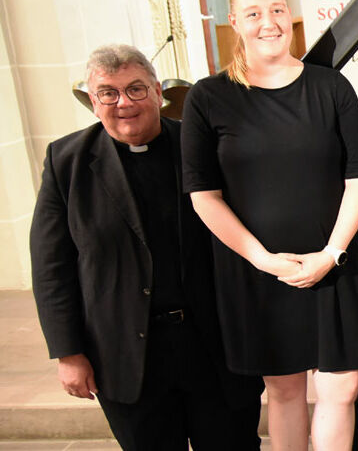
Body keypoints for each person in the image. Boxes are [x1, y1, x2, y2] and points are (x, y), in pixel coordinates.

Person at [30, 44, 263, 450]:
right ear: (92, 99)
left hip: (215, 344)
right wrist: (68, 353)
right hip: (126, 353)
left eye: (136, 89)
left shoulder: (204, 146)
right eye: (108, 93)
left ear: (158, 91)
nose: (123, 103)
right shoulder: (65, 162)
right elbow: (52, 267)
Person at [181, 0, 358, 450]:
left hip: (330, 265)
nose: (269, 22)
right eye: (253, 13)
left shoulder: (331, 88)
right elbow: (203, 194)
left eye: (276, 9)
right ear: (234, 23)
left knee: (341, 386)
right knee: (284, 390)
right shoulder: (209, 97)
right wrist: (262, 258)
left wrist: (332, 253)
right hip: (258, 272)